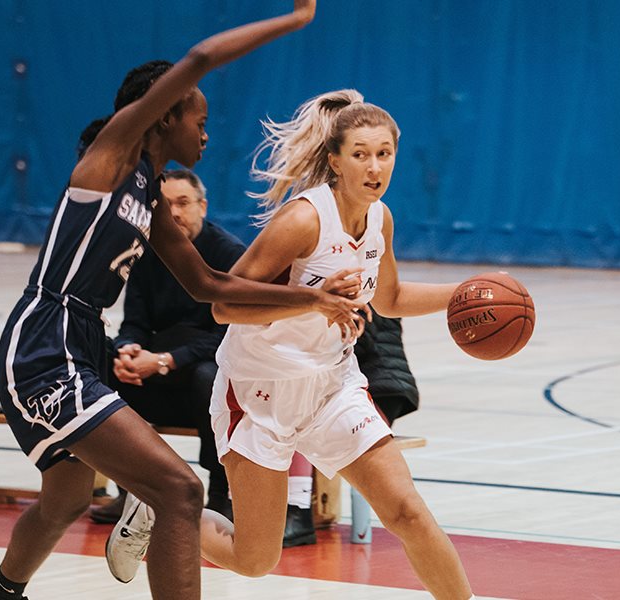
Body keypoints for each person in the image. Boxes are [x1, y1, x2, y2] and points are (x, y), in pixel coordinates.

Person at [0, 4, 362, 599]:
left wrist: (312, 297)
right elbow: (199, 58)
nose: (206, 131)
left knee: (68, 496)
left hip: (81, 343)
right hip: (46, 340)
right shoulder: (112, 154)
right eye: (198, 117)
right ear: (163, 113)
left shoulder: (149, 196)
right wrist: (293, 21)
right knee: (179, 489)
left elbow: (210, 286)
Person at [108, 89, 475, 599]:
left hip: (331, 386)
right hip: (261, 391)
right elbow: (223, 305)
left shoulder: (380, 219)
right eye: (360, 154)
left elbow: (388, 298)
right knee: (256, 560)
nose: (374, 167)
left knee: (407, 511)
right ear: (335, 160)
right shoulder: (303, 219)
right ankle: (161, 510)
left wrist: (470, 293)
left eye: (384, 154)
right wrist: (314, 300)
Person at [91, 168, 243, 526]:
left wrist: (165, 361)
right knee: (102, 365)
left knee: (211, 378)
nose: (174, 213)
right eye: (166, 205)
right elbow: (136, 322)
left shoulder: (230, 254)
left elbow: (230, 337)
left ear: (203, 207)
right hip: (162, 372)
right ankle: (131, 493)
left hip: (205, 377)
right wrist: (128, 349)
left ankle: (220, 495)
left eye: (184, 203)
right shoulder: (146, 251)